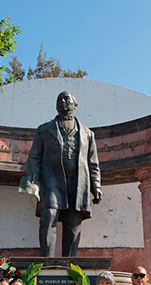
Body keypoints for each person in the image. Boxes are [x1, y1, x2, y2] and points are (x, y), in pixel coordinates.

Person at [24, 91, 102, 257]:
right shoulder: (44, 130)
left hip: (78, 183)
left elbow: (93, 163)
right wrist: (32, 175)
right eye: (60, 99)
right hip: (51, 180)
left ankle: (69, 264)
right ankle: (47, 263)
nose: (64, 101)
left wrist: (96, 187)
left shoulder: (88, 133)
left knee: (73, 222)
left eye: (67, 98)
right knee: (49, 215)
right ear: (56, 105)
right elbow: (34, 157)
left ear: (75, 104)